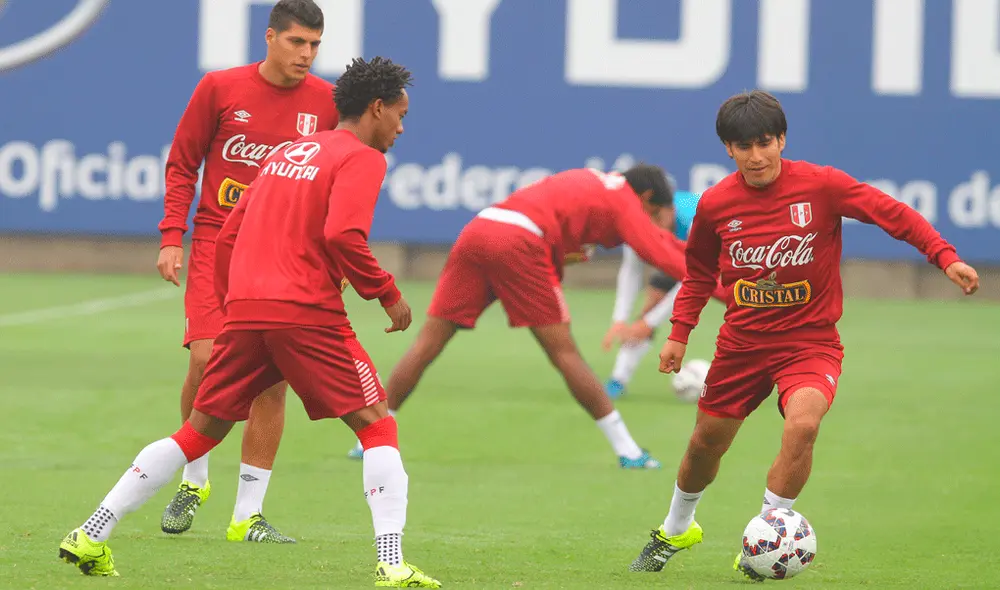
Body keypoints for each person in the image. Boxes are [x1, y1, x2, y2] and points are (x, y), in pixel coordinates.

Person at [59, 56, 442, 588]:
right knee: (378, 424)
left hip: (246, 310)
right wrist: (388, 294)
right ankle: (392, 563)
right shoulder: (362, 158)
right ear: (376, 108)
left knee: (199, 431)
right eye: (400, 114)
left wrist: (230, 300)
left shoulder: (287, 152)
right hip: (308, 313)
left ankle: (91, 532)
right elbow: (343, 236)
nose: (402, 127)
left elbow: (229, 234)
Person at [627, 90, 980, 578]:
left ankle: (765, 542)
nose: (756, 156)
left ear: (781, 139)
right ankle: (676, 527)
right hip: (741, 345)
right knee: (705, 445)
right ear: (728, 149)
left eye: (765, 143)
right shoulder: (715, 205)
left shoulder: (822, 185)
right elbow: (699, 274)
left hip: (810, 343)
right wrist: (678, 334)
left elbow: (892, 214)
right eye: (743, 146)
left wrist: (945, 256)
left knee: (804, 425)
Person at [347, 165, 726, 468]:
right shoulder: (623, 199)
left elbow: (558, 233)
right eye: (656, 213)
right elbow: (657, 249)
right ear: (646, 197)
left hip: (480, 229)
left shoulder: (591, 181)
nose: (654, 221)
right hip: (518, 242)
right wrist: (724, 289)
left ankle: (370, 441)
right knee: (565, 354)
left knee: (427, 345)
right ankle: (628, 451)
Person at [155, 0, 338, 543]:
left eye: (315, 45)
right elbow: (183, 162)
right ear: (270, 38)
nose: (306, 54)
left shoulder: (327, 103)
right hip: (216, 242)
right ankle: (194, 478)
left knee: (270, 381)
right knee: (208, 359)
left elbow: (334, 183)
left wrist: (332, 258)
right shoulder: (219, 89)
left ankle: (248, 515)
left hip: (282, 252)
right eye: (297, 42)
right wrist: (171, 237)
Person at [602, 190, 703, 398]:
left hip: (729, 260)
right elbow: (631, 270)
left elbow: (695, 281)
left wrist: (650, 322)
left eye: (658, 217)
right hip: (684, 261)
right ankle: (618, 380)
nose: (653, 224)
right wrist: (620, 319)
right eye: (649, 218)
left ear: (671, 211)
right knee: (652, 302)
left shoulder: (697, 221)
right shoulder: (638, 225)